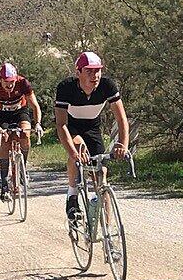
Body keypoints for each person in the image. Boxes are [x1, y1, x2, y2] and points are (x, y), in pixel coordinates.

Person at [54, 51, 129, 220]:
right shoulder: (65, 88)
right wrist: (72, 153)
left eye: (97, 71)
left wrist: (123, 144)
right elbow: (61, 124)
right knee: (78, 148)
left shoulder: (107, 85)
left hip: (92, 128)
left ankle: (108, 233)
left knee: (101, 178)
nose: (94, 76)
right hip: (71, 127)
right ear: (78, 73)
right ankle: (72, 194)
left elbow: (121, 118)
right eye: (89, 71)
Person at [0, 63, 43, 201]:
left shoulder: (23, 83)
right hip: (1, 115)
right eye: (6, 82)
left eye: (12, 82)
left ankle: (22, 168)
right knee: (5, 140)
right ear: (0, 80)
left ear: (16, 79)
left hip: (20, 112)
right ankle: (4, 182)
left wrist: (38, 124)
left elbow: (35, 106)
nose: (10, 85)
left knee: (25, 134)